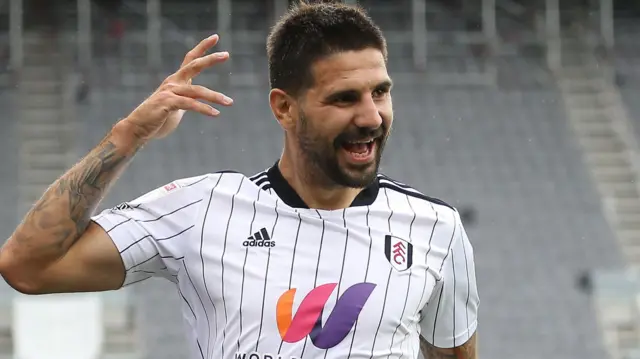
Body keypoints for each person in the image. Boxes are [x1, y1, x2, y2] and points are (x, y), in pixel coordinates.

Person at [0, 1, 479, 359]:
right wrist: (130, 134)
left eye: (380, 92)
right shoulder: (201, 211)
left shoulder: (436, 227)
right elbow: (27, 267)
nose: (371, 116)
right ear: (284, 107)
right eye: (344, 98)